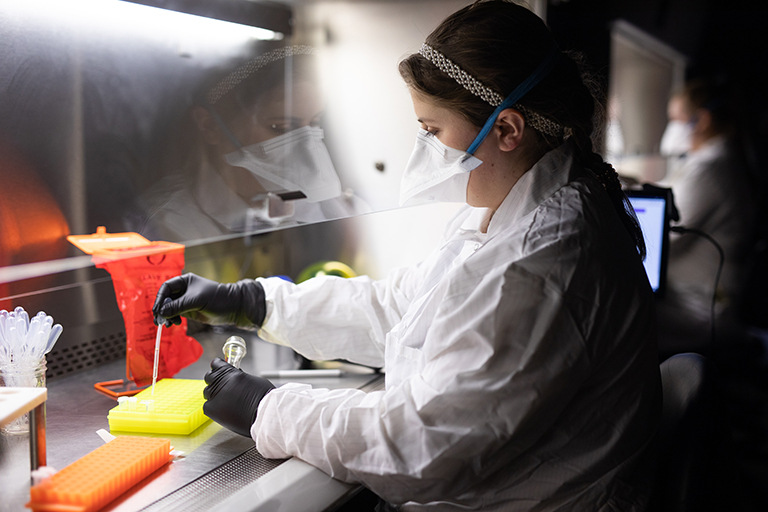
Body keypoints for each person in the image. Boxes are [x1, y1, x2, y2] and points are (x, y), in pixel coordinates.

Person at [154, 1, 661, 510]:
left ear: (507, 130)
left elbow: (425, 446)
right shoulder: (514, 210)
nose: (423, 147)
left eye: (432, 130)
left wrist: (269, 408)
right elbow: (400, 309)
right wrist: (255, 302)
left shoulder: (543, 260)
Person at [130, 45, 368, 243]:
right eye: (281, 128)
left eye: (314, 124)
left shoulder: (325, 204)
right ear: (210, 126)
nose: (307, 149)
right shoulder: (168, 225)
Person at [656, 79, 757, 355]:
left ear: (701, 120)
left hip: (698, 307)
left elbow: (662, 237)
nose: (671, 129)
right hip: (696, 299)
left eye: (675, 119)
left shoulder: (709, 171)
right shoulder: (713, 163)